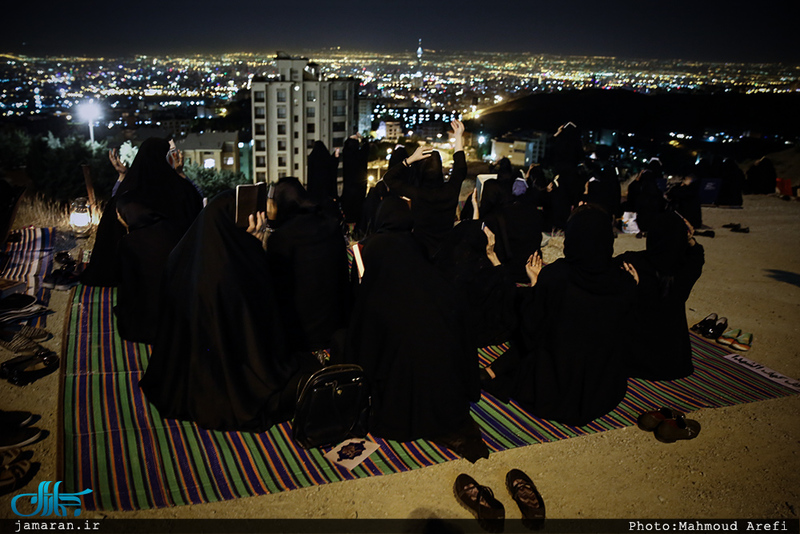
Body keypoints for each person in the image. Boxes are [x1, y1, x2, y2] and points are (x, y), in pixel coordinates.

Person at [139, 191, 314, 431]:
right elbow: (262, 323)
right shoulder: (234, 270)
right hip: (232, 372)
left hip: (187, 372)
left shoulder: (185, 255)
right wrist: (258, 244)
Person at [345, 196, 487, 460]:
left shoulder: (371, 247)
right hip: (442, 376)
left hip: (397, 382)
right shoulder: (418, 246)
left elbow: (362, 314)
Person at [482, 204, 637, 426]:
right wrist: (632, 288)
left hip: (555, 386)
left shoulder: (557, 276)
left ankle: (493, 371)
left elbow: (532, 329)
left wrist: (536, 284)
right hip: (600, 388)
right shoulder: (623, 280)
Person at [81, 137, 203, 287]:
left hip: (137, 265)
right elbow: (197, 201)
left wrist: (122, 176)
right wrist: (180, 174)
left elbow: (114, 209)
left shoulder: (131, 190)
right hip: (176, 264)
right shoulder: (179, 189)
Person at [266, 177, 350, 353]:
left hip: (301, 332)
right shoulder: (330, 226)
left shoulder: (281, 238)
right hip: (335, 323)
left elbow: (276, 289)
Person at [617, 211, 705, 380]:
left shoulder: (633, 262)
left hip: (635, 360)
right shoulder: (685, 269)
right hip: (673, 362)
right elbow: (697, 255)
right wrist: (689, 238)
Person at [383, 120, 468, 259]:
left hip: (420, 253)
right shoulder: (450, 190)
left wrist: (410, 159)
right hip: (446, 252)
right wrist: (458, 136)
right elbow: (460, 167)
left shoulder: (417, 193)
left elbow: (389, 179)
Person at [114, 191, 185, 344]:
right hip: (179, 319)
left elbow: (125, 282)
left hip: (145, 326)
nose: (118, 218)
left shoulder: (129, 243)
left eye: (120, 214)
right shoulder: (175, 230)